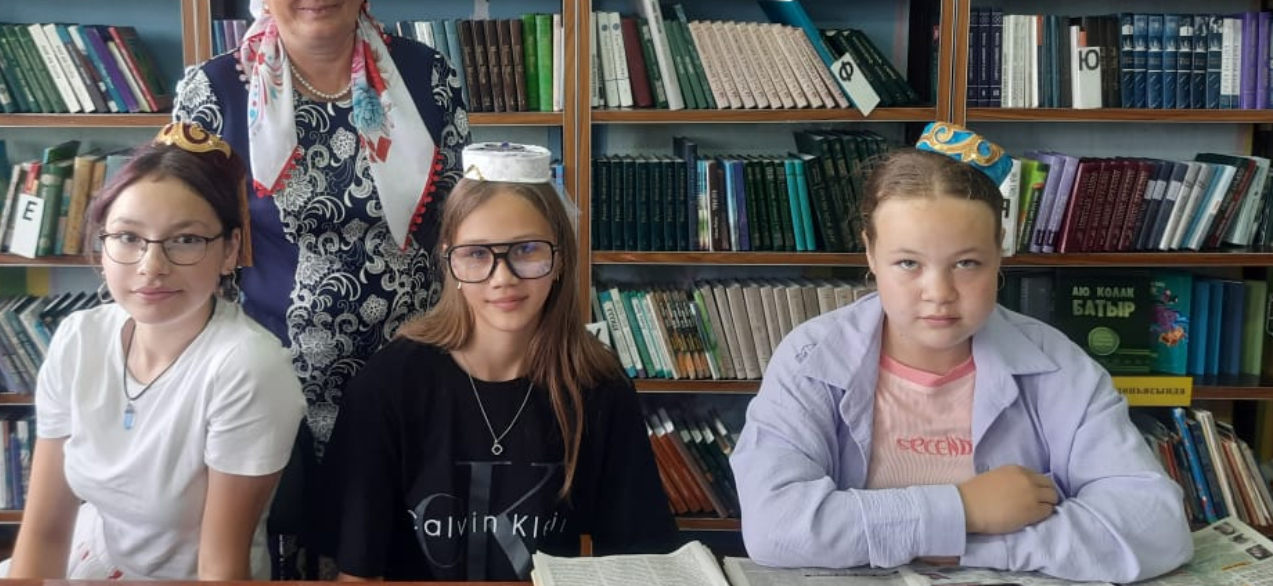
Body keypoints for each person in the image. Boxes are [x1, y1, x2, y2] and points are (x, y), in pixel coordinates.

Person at [730, 122, 1193, 583]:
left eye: (967, 263)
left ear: (999, 251)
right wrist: (964, 509)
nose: (939, 293)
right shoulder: (810, 357)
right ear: (870, 253)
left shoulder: (1059, 366)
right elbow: (776, 527)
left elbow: (1156, 528)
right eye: (908, 263)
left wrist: (964, 544)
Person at [174, 0, 468, 451]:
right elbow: (183, 242)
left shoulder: (426, 76)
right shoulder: (215, 93)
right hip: (262, 380)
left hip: (414, 374)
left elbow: (462, 224)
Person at [318, 143, 679, 582]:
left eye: (527, 249)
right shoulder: (388, 386)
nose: (502, 277)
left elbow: (638, 561)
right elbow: (357, 574)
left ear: (560, 259)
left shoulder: (599, 386)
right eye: (477, 254)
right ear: (450, 261)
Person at [0, 122, 306, 581]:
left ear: (229, 251)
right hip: (93, 556)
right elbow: (45, 531)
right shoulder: (78, 339)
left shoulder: (248, 367)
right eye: (128, 237)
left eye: (186, 240)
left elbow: (221, 566)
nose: (152, 266)